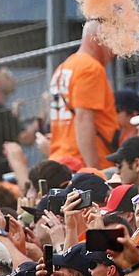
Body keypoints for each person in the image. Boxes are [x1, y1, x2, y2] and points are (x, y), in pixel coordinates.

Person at [47, 20, 119, 171]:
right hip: (81, 163)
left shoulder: (63, 67)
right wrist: (94, 170)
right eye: (112, 41)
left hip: (61, 160)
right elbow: (83, 120)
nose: (115, 51)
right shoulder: (90, 68)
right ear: (100, 38)